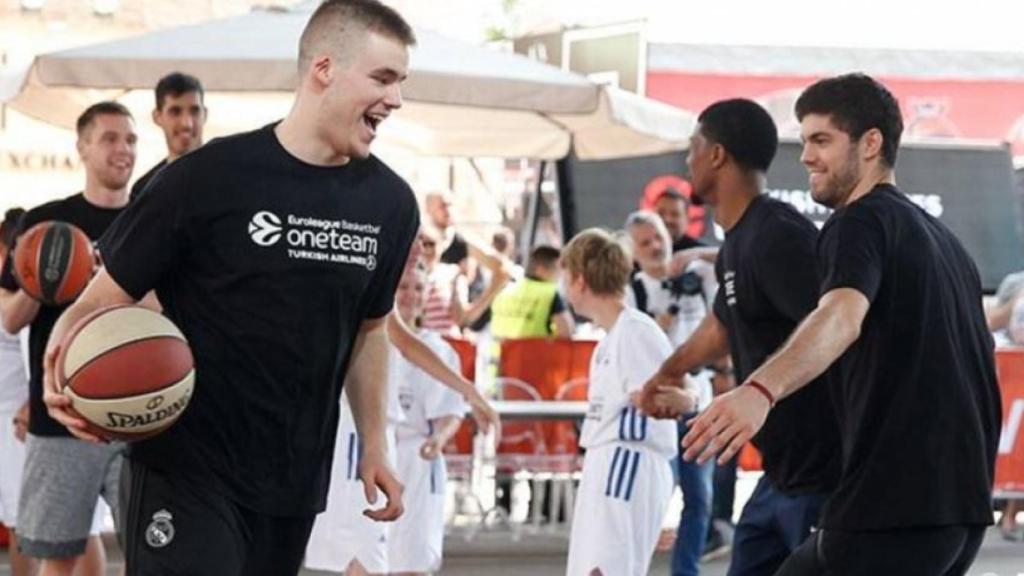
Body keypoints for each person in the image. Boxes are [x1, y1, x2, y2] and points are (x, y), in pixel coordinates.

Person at [41, 1, 422, 574]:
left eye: (400, 83)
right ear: (324, 69)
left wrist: (376, 441)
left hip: (293, 479)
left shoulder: (390, 204)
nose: (395, 99)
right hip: (187, 470)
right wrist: (58, 370)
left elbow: (370, 330)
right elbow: (102, 297)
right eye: (383, 78)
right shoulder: (204, 178)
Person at [682, 75, 1002, 574]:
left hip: (891, 508)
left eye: (821, 140)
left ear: (870, 143)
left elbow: (839, 315)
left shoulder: (858, 221)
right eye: (805, 140)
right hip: (959, 510)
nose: (806, 156)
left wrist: (758, 391)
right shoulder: (943, 241)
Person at [639, 98, 841, 576]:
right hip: (779, 475)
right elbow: (721, 326)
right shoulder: (738, 241)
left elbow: (835, 331)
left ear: (716, 155)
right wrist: (667, 373)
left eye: (693, 148)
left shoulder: (779, 236)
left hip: (821, 476)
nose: (687, 160)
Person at [0, 102, 136, 576]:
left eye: (130, 139)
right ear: (82, 147)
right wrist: (47, 280)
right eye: (110, 138)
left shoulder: (150, 221)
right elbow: (10, 319)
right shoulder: (45, 222)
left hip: (136, 417)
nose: (123, 149)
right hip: (62, 416)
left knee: (151, 550)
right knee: (58, 554)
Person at [561, 228, 680, 576]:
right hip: (607, 462)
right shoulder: (610, 339)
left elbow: (667, 401)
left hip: (625, 462)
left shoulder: (635, 331)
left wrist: (662, 506)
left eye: (567, 280)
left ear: (580, 281)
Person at [623, 210, 717, 576]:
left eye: (659, 237)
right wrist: (658, 325)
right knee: (653, 496)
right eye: (645, 242)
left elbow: (735, 256)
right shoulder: (634, 290)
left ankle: (686, 571)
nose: (656, 246)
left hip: (699, 399)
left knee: (700, 499)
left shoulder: (698, 276)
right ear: (633, 252)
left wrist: (695, 255)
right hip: (659, 406)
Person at [387, 263, 466, 575]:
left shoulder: (440, 351)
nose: (410, 296)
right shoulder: (371, 342)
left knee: (413, 558)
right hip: (377, 460)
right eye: (404, 288)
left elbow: (452, 411)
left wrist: (439, 439)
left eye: (418, 289)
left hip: (417, 462)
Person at [0, 207, 36, 576]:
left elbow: (30, 349)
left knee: (22, 522)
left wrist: (32, 401)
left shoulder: (26, 288)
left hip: (15, 420)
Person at [130, 72, 207, 201]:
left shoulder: (228, 177)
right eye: (175, 112)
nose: (186, 123)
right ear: (157, 117)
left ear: (205, 114)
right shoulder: (145, 190)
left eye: (194, 111)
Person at [490, 245, 574, 339]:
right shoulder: (549, 293)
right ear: (541, 269)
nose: (560, 276)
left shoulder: (505, 290)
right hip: (534, 352)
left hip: (499, 352)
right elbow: (566, 331)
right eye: (557, 270)